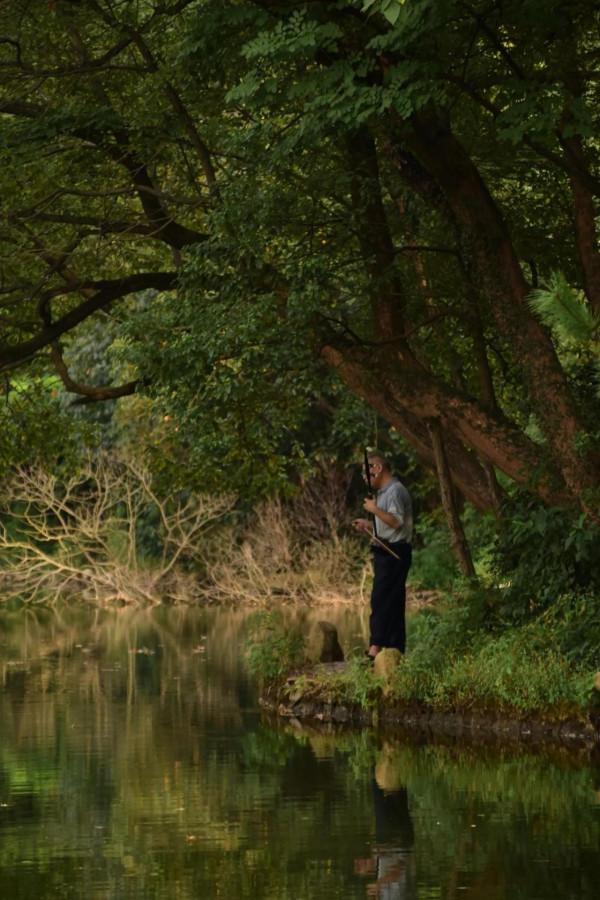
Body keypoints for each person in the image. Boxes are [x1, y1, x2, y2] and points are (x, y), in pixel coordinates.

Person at [353, 452, 413, 660]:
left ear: (377, 469)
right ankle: (393, 648)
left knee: (382, 600)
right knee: (390, 600)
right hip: (384, 551)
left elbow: (396, 521)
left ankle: (376, 648)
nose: (364, 477)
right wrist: (369, 524)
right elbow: (387, 525)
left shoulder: (395, 490)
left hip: (394, 553)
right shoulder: (384, 492)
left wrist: (374, 508)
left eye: (365, 472)